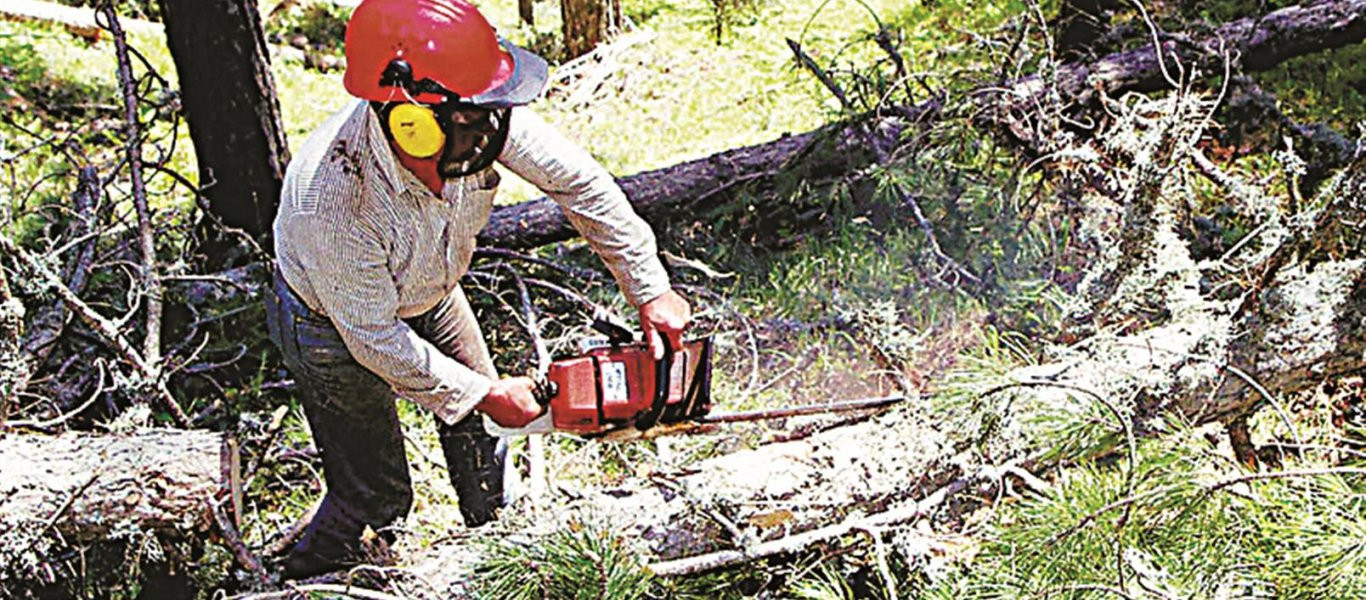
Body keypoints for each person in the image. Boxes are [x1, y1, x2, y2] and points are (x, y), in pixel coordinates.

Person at [264, 0, 691, 579]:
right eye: (478, 114)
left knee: (486, 437)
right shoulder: (334, 198)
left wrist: (649, 289)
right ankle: (308, 580)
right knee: (374, 494)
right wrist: (484, 392)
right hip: (330, 325)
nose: (496, 123)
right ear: (411, 121)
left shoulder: (474, 113)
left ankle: (499, 555)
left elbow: (582, 186)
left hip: (429, 289)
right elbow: (374, 339)